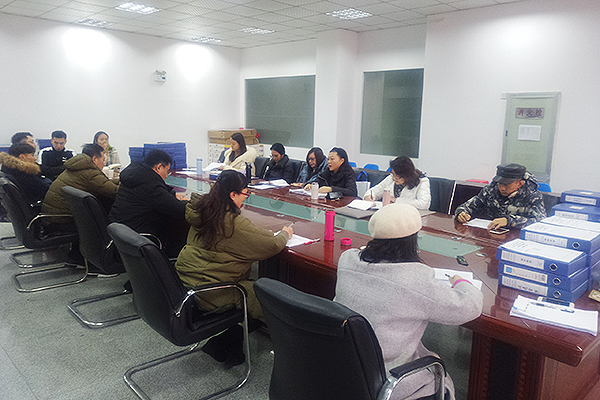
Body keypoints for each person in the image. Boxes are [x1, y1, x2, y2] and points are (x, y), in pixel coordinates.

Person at [335, 203, 483, 400]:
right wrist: (461, 282)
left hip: (342, 367)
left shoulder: (347, 259)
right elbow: (470, 307)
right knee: (440, 375)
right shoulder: (416, 278)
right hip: (387, 379)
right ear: (414, 239)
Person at [175, 170, 292, 367]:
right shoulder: (232, 223)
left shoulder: (204, 210)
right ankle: (224, 342)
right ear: (232, 194)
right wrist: (285, 234)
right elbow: (270, 244)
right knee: (267, 299)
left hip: (185, 282)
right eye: (245, 193)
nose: (245, 198)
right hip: (212, 291)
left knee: (248, 287)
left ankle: (230, 347)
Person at [109, 149, 188, 257]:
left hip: (122, 237)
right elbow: (179, 210)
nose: (166, 176)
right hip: (141, 239)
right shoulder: (151, 186)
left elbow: (154, 196)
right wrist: (193, 203)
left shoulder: (136, 177)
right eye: (167, 171)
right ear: (159, 167)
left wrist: (172, 195)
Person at [454, 163, 546, 230]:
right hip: (490, 235)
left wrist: (510, 221)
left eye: (507, 185)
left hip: (516, 239)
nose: (502, 188)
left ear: (520, 184)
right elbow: (467, 206)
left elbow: (541, 222)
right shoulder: (490, 190)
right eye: (500, 183)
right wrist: (461, 213)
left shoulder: (532, 196)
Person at [42, 143, 119, 216]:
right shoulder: (90, 172)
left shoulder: (78, 166)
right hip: (63, 218)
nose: (104, 163)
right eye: (103, 160)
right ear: (95, 159)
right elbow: (114, 191)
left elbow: (103, 182)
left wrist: (119, 180)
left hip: (51, 215)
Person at [363, 156, 431, 210]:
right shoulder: (391, 178)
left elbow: (423, 204)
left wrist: (395, 200)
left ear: (407, 175)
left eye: (398, 177)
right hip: (392, 213)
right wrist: (369, 196)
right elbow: (374, 191)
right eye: (393, 174)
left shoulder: (422, 181)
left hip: (412, 217)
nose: (394, 178)